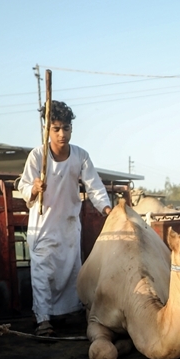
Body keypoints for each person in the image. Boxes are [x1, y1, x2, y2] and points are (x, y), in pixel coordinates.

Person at [18, 101, 112, 336]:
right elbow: (23, 185)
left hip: (69, 225)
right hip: (43, 225)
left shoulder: (80, 155)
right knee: (42, 273)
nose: (62, 134)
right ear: (47, 130)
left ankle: (64, 313)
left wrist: (107, 210)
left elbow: (95, 187)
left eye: (66, 128)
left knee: (70, 271)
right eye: (56, 128)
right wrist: (34, 187)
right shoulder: (38, 156)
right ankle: (42, 320)